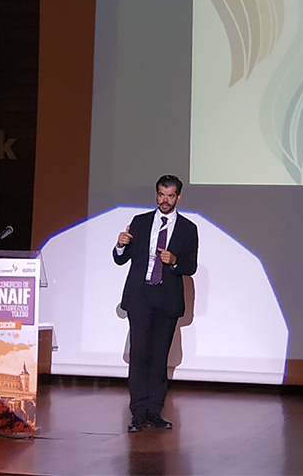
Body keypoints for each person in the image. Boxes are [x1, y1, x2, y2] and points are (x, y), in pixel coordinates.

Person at [113, 175, 199, 432]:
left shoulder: (188, 228)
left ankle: (154, 411)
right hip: (141, 297)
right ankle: (138, 413)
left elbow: (191, 266)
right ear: (156, 194)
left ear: (178, 197)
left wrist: (173, 260)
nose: (165, 200)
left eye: (170, 196)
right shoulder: (139, 223)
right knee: (139, 357)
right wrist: (119, 245)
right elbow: (121, 259)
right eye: (161, 194)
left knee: (159, 358)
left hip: (166, 299)